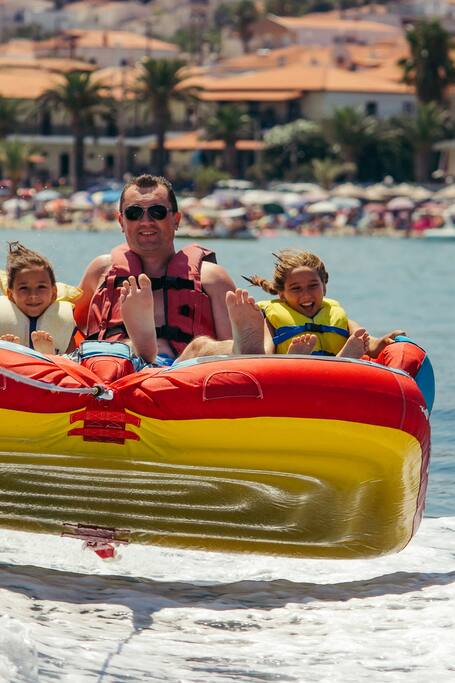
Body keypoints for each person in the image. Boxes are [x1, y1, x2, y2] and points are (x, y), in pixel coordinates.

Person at [75, 174, 236, 365]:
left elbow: (232, 356)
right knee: (122, 350)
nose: (146, 221)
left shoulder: (212, 278)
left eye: (157, 212)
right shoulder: (101, 270)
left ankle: (254, 342)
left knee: (202, 347)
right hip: (115, 368)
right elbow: (70, 327)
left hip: (183, 371)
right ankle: (141, 349)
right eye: (134, 213)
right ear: (121, 221)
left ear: (176, 220)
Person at [224, 249, 402, 358]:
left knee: (358, 339)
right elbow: (267, 351)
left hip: (336, 375)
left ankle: (339, 361)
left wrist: (385, 341)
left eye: (313, 286)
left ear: (324, 286)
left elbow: (367, 343)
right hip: (289, 376)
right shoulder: (273, 318)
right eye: (296, 288)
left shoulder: (335, 313)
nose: (306, 295)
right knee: (263, 354)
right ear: (282, 294)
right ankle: (289, 359)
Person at [0, 241, 78, 355]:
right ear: (11, 294)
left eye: (41, 287)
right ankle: (9, 354)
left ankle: (48, 356)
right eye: (24, 288)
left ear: (54, 293)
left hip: (52, 360)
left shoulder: (64, 322)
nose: (33, 295)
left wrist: (50, 355)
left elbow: (74, 361)